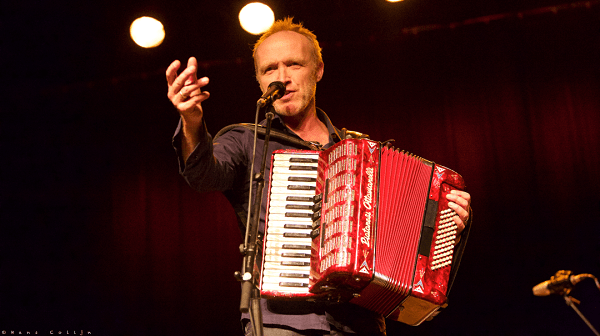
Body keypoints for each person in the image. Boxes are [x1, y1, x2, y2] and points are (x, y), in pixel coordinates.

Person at [166, 18, 472, 336]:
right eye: (269, 69)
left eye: (294, 64)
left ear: (318, 70)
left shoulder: (362, 153)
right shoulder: (246, 141)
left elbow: (409, 229)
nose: (282, 79)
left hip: (361, 324)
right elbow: (202, 176)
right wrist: (191, 121)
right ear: (258, 79)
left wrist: (444, 218)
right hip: (283, 322)